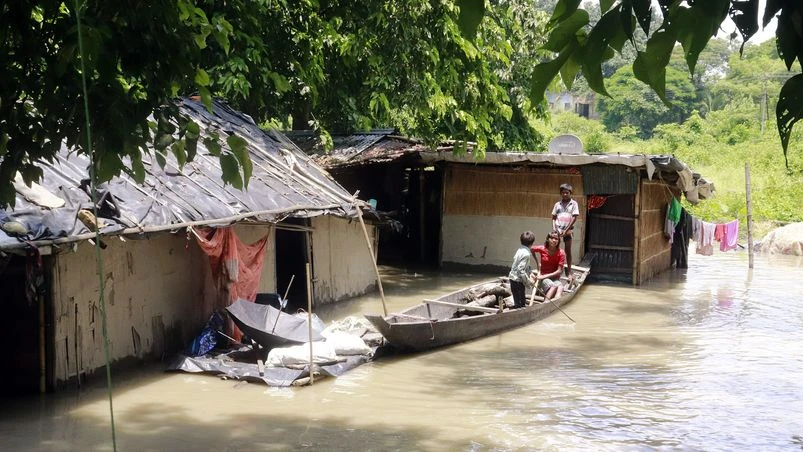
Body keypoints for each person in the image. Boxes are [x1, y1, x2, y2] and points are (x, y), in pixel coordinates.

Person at [552, 182, 579, 281]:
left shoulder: (574, 204)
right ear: (561, 193)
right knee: (556, 250)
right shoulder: (557, 205)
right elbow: (554, 218)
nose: (565, 194)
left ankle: (569, 271)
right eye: (563, 192)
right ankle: (555, 270)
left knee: (568, 251)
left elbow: (574, 218)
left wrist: (566, 230)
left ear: (570, 193)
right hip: (558, 230)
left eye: (567, 192)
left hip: (568, 231)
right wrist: (555, 229)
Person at [531, 232, 566, 302]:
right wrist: (537, 262)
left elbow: (559, 271)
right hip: (543, 279)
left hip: (554, 278)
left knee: (560, 287)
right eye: (552, 238)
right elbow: (531, 249)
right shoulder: (542, 248)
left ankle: (556, 303)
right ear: (547, 239)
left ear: (558, 241)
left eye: (556, 239)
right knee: (553, 287)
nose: (554, 240)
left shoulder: (561, 253)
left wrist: (543, 276)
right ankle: (545, 303)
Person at [508, 231, 536, 309]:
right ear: (532, 243)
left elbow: (524, 265)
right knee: (521, 303)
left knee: (517, 300)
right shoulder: (526, 254)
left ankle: (517, 307)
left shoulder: (520, 250)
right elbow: (521, 270)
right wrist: (528, 282)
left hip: (512, 278)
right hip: (518, 281)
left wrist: (530, 272)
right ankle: (520, 310)